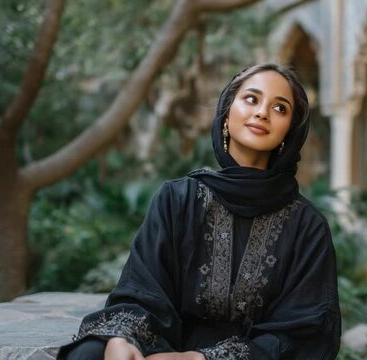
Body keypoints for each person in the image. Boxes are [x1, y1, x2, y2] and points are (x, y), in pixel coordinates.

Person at [57, 63, 341, 360]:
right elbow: (142, 289)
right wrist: (123, 338)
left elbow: (305, 332)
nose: (262, 113)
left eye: (280, 108)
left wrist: (200, 359)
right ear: (226, 116)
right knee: (90, 354)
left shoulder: (306, 225)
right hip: (165, 348)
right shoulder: (178, 198)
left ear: (289, 132)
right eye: (251, 99)